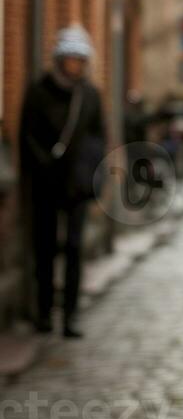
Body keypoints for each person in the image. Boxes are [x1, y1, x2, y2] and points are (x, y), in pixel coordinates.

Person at [18, 25, 105, 338]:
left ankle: (70, 316)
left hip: (78, 186)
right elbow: (27, 135)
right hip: (46, 185)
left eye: (80, 60)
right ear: (60, 59)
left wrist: (93, 175)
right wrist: (43, 166)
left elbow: (98, 139)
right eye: (70, 59)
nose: (75, 65)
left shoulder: (90, 96)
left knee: (73, 249)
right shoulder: (39, 91)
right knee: (44, 248)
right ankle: (43, 313)